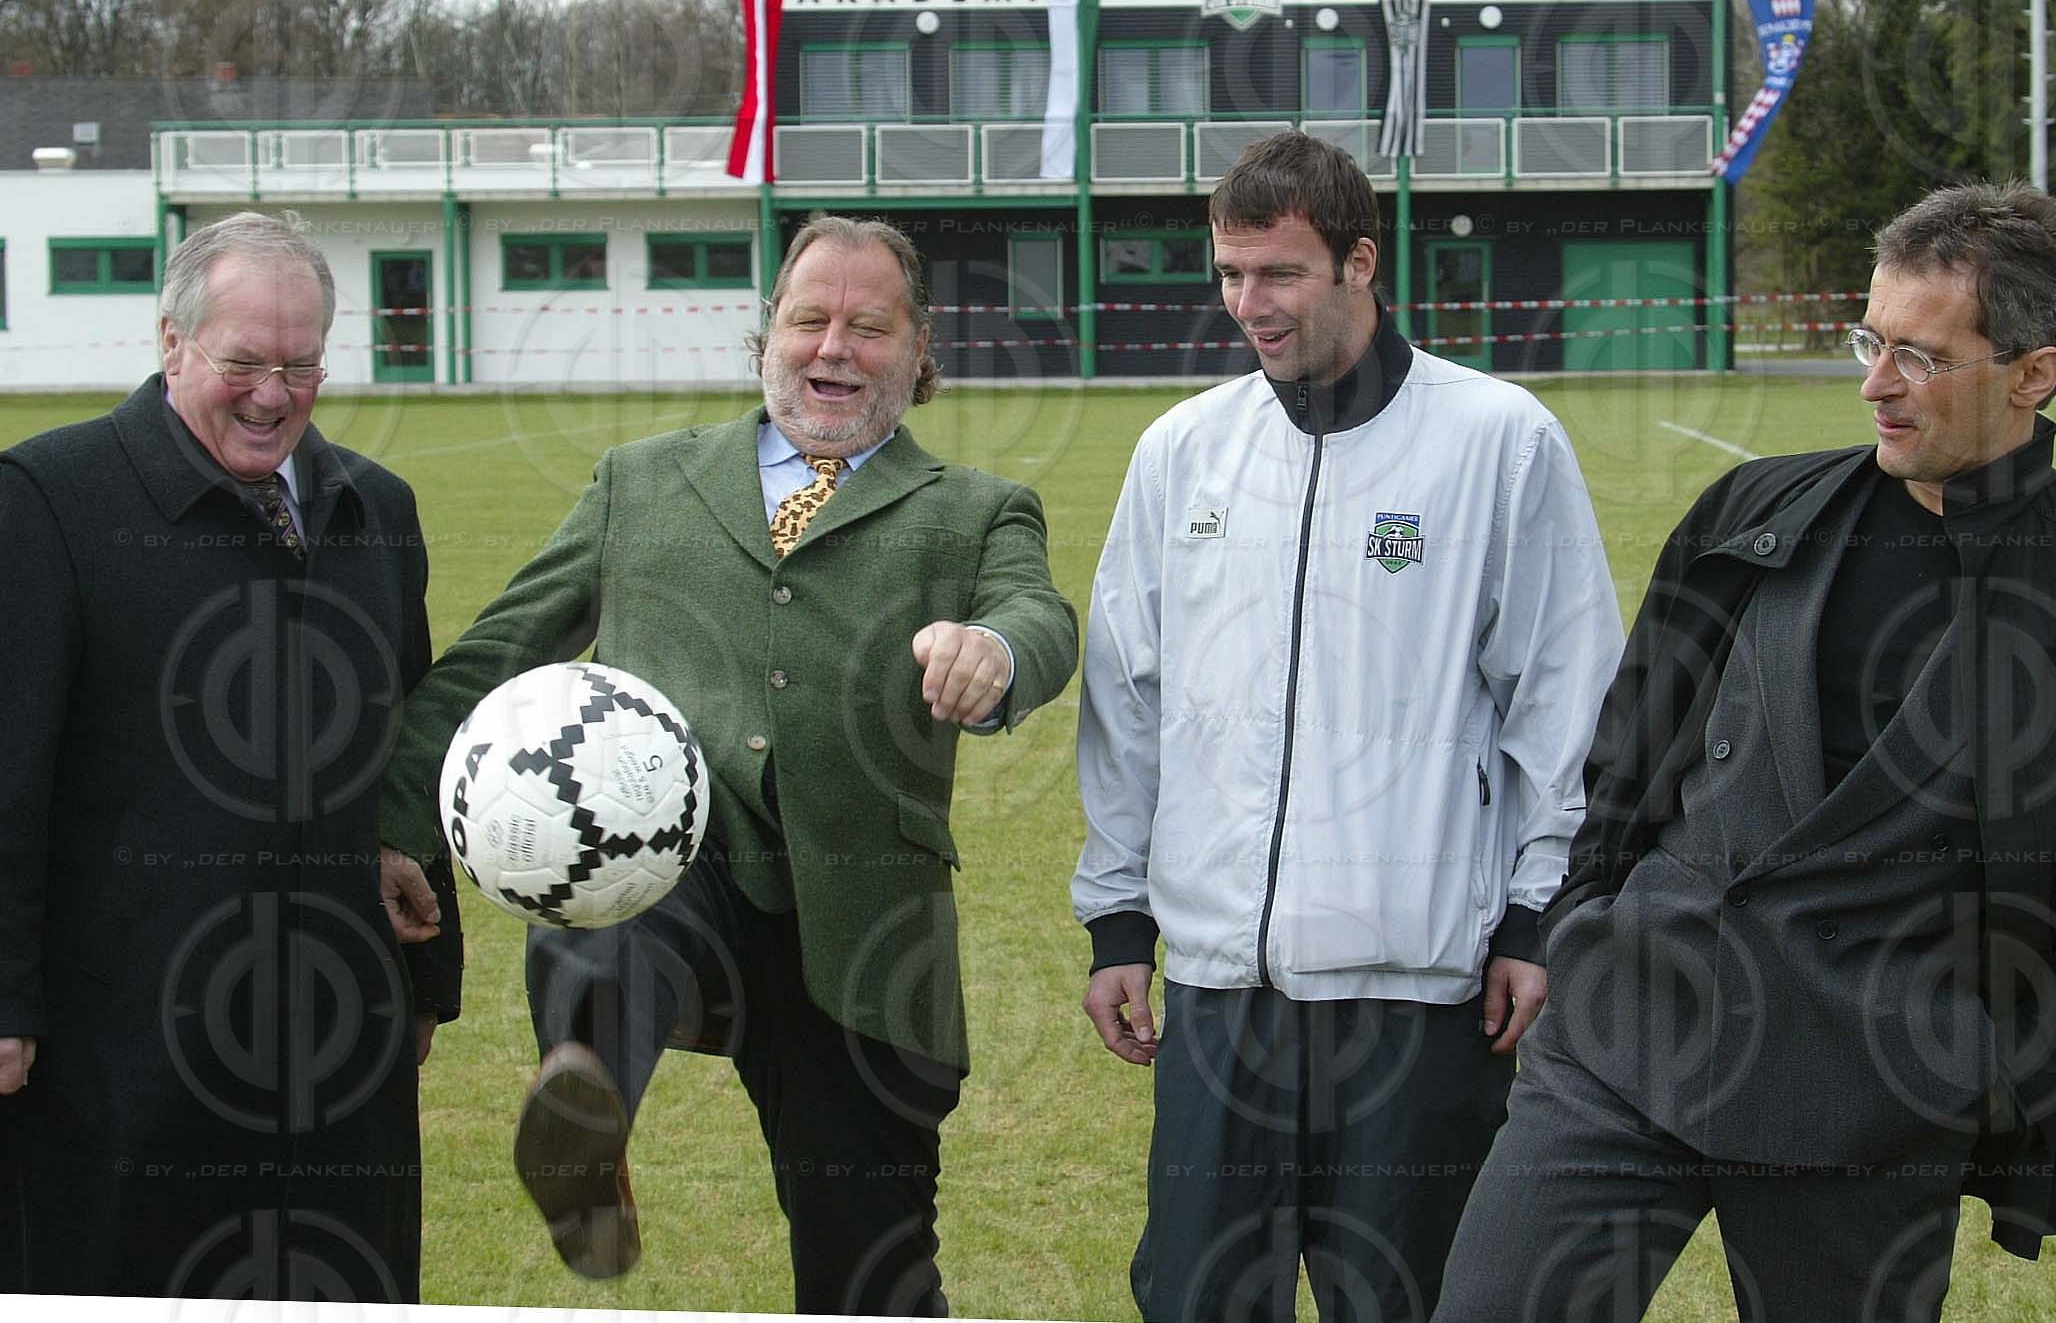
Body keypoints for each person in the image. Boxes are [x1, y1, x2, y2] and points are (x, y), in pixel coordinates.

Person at [1435, 181, 2056, 1322]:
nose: (1874, 385)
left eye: (1919, 355)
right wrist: (1589, 920)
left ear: (2034, 373)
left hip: (1873, 1112)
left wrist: (1972, 1082)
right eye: (1870, 339)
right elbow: (1630, 752)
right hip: (1624, 1044)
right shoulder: (1754, 513)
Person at [377, 213, 1077, 1315]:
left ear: (918, 351)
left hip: (866, 928)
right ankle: (588, 1104)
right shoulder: (643, 479)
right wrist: (390, 821)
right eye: (809, 319)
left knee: (872, 1266)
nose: (834, 348)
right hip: (670, 865)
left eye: (869, 327)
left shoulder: (977, 509)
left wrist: (993, 651)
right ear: (767, 336)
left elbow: (1038, 615)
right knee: (616, 876)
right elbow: (497, 656)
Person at [1072, 132, 1623, 1322]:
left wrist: (1538, 914)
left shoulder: (1496, 439)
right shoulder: (1183, 451)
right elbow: (1129, 698)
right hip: (1224, 994)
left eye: (1277, 274)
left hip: (1420, 995)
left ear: (1360, 260)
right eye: (1227, 274)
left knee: (1415, 1302)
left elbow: (1567, 702)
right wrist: (1120, 921)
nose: (1246, 305)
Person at [0, 211, 462, 1301]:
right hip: (125, 1051)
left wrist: (427, 988)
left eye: (301, 366)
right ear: (172, 344)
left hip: (342, 1050)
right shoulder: (47, 502)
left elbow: (406, 756)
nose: (273, 394)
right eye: (243, 363)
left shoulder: (375, 509)